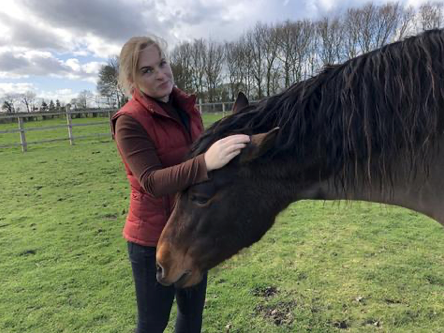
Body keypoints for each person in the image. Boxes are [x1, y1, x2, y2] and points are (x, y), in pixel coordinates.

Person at [111, 35, 250, 333]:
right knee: (152, 324)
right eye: (147, 70)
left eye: (162, 63)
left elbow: (200, 153)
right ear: (132, 79)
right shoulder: (129, 121)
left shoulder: (187, 107)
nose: (160, 73)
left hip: (191, 229)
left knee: (191, 316)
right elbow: (150, 181)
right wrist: (206, 163)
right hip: (153, 240)